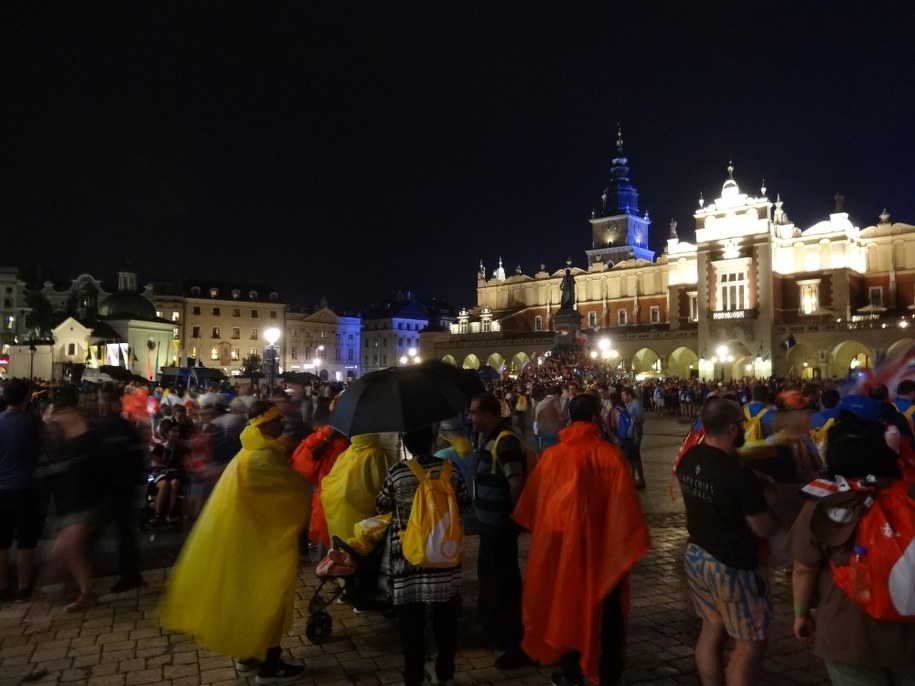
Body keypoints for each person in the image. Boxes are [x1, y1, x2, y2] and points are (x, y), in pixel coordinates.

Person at [159, 401, 310, 684]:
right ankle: (270, 666)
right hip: (260, 545)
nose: (282, 425)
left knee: (250, 600)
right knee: (269, 600)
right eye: (277, 421)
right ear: (263, 425)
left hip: (246, 544)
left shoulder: (251, 452)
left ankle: (248, 656)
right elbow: (293, 491)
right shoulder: (261, 459)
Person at [513, 393, 650, 686]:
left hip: (563, 552)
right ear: (597, 419)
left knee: (567, 606)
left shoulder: (551, 457)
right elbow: (625, 513)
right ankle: (608, 671)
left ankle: (572, 672)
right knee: (608, 614)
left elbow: (534, 508)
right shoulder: (610, 455)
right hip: (605, 553)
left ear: (569, 418)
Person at [786, 411, 915, 684]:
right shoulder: (911, 496)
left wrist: (801, 613)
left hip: (848, 631)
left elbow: (803, 569)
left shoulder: (822, 505)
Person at [677, 397, 778, 686]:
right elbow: (761, 528)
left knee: (711, 628)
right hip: (731, 563)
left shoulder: (689, 458)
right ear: (733, 428)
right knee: (749, 643)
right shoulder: (737, 474)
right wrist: (776, 510)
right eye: (742, 424)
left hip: (697, 553)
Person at [376, 425, 470, 686]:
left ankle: (414, 676)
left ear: (405, 441)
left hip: (409, 557)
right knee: (446, 617)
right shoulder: (450, 469)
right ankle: (446, 674)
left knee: (411, 622)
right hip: (444, 553)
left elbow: (381, 505)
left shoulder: (398, 472)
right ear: (431, 440)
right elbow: (463, 503)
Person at [469, 392, 531, 670]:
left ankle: (516, 641)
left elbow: (516, 482)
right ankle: (492, 629)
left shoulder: (505, 442)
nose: (470, 417)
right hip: (489, 526)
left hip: (500, 526)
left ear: (488, 414)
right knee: (491, 577)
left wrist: (514, 519)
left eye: (474, 412)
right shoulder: (491, 438)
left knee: (505, 582)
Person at [94, 383, 147, 593]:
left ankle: (129, 574)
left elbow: (134, 458)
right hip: (114, 488)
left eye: (103, 399)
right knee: (121, 534)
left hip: (118, 489)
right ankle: (128, 574)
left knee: (122, 534)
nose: (101, 404)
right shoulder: (112, 426)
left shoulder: (120, 427)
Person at [0, 379, 46, 603]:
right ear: (27, 397)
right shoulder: (33, 422)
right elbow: (51, 446)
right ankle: (23, 588)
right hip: (27, 488)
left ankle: (1, 586)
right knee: (26, 541)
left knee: (1, 541)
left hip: (1, 488)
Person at [321, 433, 396, 544]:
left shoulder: (345, 454)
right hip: (363, 517)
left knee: (343, 546)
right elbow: (388, 485)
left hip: (336, 509)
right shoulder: (377, 455)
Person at [621, 387, 647, 489]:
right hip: (630, 434)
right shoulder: (627, 404)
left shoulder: (636, 403)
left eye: (623, 395)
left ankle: (641, 479)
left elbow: (642, 418)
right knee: (630, 457)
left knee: (635, 457)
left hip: (635, 434)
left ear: (629, 395)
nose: (622, 397)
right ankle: (632, 477)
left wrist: (631, 422)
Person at [533, 384, 565, 452]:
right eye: (560, 396)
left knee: (543, 450)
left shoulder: (541, 402)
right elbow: (561, 418)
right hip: (549, 430)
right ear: (556, 395)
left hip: (537, 428)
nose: (560, 398)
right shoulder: (555, 401)